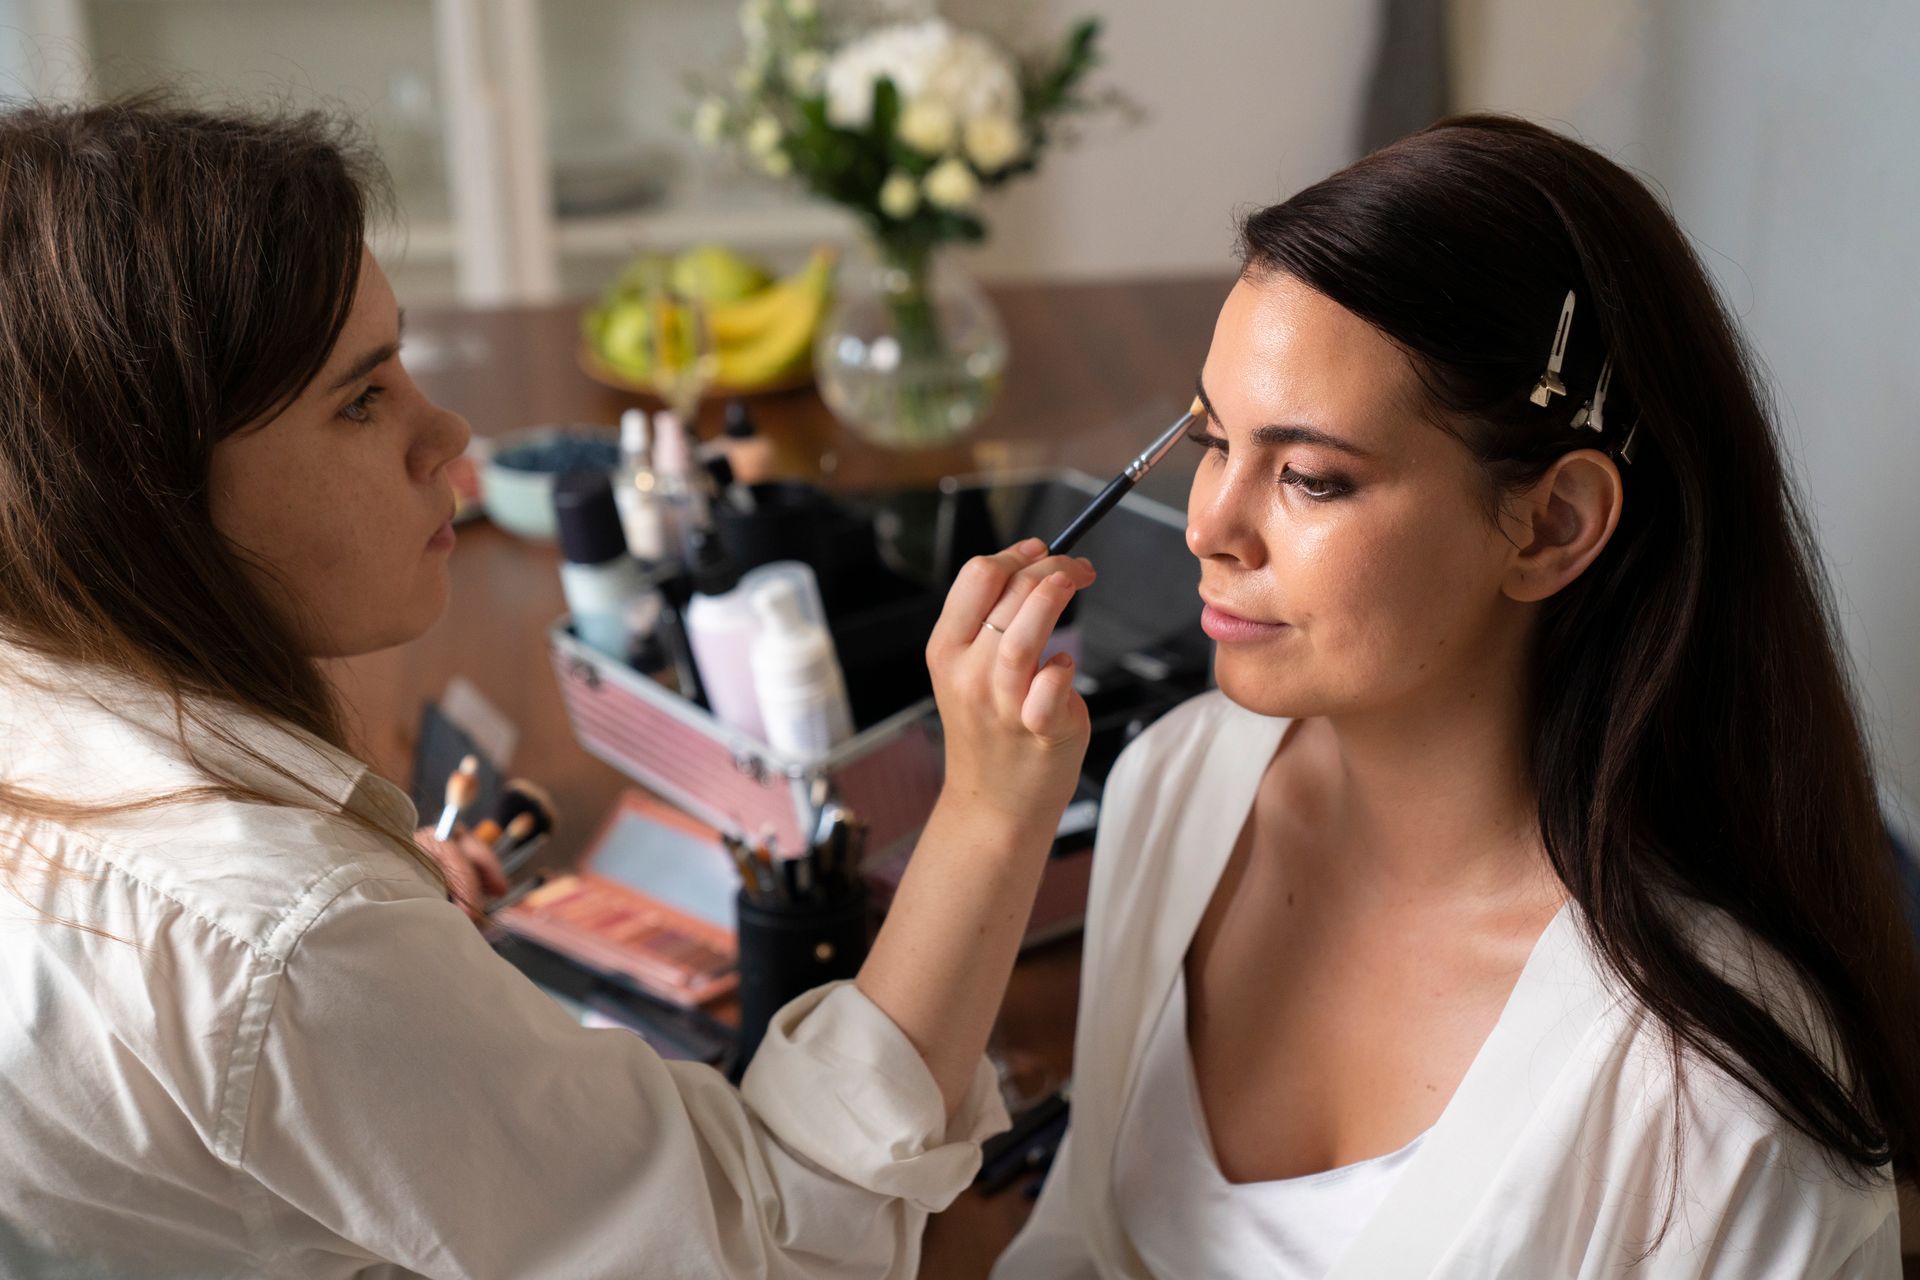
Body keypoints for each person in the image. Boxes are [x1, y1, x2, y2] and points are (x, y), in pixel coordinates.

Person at [0, 99, 1097, 1278]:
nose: (446, 430)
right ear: (144, 502)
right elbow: (774, 1230)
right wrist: (988, 806)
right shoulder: (292, 941)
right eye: (361, 399)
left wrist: (369, 963)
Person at [994, 115, 1919, 1278]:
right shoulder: (1176, 781)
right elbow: (1075, 1243)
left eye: (1311, 477)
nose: (1210, 526)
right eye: (1213, 440)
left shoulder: (1714, 1101)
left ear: (1553, 525)